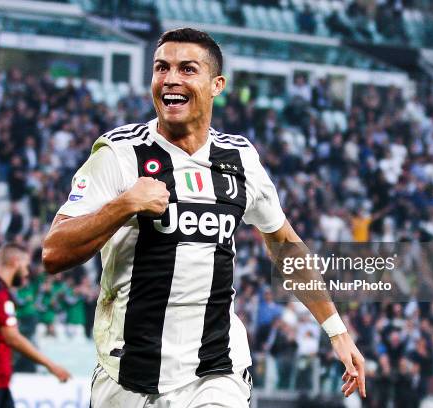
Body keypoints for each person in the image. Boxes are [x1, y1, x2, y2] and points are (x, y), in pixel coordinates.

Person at [43, 28, 365, 407]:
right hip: (126, 373)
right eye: (161, 68)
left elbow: (284, 246)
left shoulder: (241, 159)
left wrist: (336, 331)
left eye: (187, 69)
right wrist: (123, 205)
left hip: (215, 370)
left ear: (216, 84)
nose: (171, 79)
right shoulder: (118, 154)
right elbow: (53, 253)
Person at [0, 243, 70, 408]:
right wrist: (51, 365)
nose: (27, 272)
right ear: (14, 261)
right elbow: (12, 337)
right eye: (25, 266)